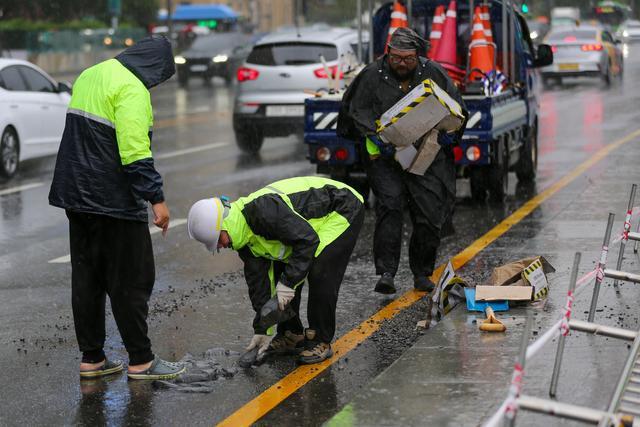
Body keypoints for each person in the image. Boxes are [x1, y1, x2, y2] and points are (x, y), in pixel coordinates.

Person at [49, 35, 185, 380]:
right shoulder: (132, 88)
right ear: (154, 66)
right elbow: (135, 151)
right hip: (111, 201)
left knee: (87, 279)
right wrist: (157, 199)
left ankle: (92, 358)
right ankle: (142, 360)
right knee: (132, 281)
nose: (155, 83)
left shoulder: (91, 74)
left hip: (75, 196)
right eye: (160, 77)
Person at [338, 27, 467, 295]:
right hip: (384, 157)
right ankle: (387, 272)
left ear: (417, 56)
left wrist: (449, 135)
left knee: (429, 214)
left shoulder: (432, 72)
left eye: (408, 59)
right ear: (388, 54)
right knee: (390, 206)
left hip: (425, 155)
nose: (402, 64)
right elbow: (356, 112)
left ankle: (422, 273)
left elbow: (456, 107)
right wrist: (378, 139)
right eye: (396, 58)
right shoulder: (373, 75)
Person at [187, 177, 364, 364]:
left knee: (320, 270)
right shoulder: (243, 240)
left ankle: (320, 340)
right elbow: (260, 284)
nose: (221, 246)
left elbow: (307, 241)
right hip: (307, 230)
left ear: (223, 225)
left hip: (341, 207)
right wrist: (263, 329)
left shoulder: (263, 211)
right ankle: (291, 334)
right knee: (281, 270)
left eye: (218, 240)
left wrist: (288, 284)